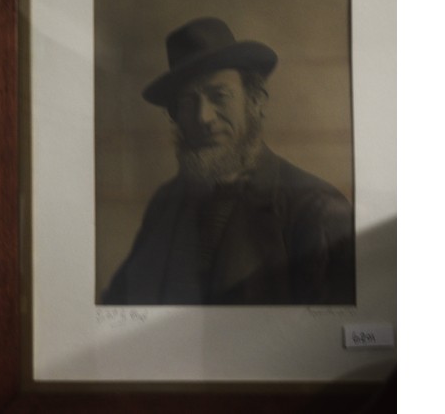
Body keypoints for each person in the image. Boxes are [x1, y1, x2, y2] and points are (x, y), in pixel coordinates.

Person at [101, 17, 355, 305]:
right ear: (175, 116)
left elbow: (326, 336)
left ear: (255, 101)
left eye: (219, 96)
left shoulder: (315, 208)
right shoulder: (166, 203)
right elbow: (118, 309)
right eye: (188, 101)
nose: (203, 117)